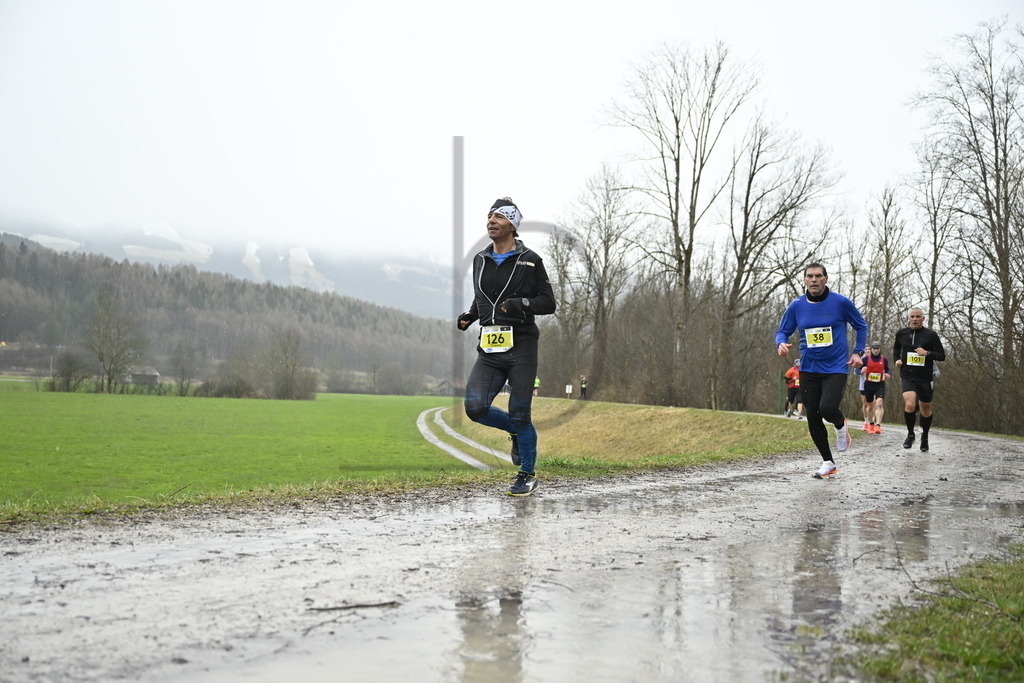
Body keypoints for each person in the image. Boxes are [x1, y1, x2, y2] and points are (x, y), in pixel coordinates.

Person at [458, 197, 556, 496]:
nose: (491, 221)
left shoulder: (531, 260)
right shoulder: (480, 260)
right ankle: (512, 429)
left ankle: (526, 473)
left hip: (522, 345)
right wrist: (471, 315)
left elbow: (548, 303)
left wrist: (519, 304)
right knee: (475, 407)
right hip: (490, 346)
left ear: (512, 225)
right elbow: (483, 296)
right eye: (489, 216)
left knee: (520, 411)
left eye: (499, 217)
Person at [775, 263, 868, 479]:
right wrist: (780, 343)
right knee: (813, 416)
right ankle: (828, 462)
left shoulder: (840, 302)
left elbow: (861, 326)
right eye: (810, 276)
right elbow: (783, 331)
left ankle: (839, 422)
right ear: (805, 280)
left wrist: (858, 352)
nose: (814, 280)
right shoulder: (797, 305)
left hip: (836, 366)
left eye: (818, 276)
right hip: (808, 367)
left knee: (827, 408)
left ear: (826, 279)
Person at [893, 307, 946, 452]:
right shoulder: (902, 333)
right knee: (910, 404)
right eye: (912, 316)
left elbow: (941, 355)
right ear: (908, 318)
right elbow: (896, 350)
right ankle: (910, 435)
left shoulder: (931, 335)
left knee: (925, 409)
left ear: (923, 319)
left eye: (918, 317)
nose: (915, 319)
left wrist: (927, 353)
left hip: (925, 378)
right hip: (907, 376)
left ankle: (925, 437)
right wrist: (897, 360)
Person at [861, 340, 891, 434]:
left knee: (879, 403)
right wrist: (862, 369)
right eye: (874, 349)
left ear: (880, 349)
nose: (876, 350)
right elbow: (857, 369)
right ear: (872, 349)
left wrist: (888, 374)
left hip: (880, 384)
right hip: (868, 384)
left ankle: (878, 426)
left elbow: (887, 369)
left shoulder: (884, 359)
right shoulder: (866, 359)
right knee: (869, 405)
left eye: (878, 348)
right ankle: (871, 424)